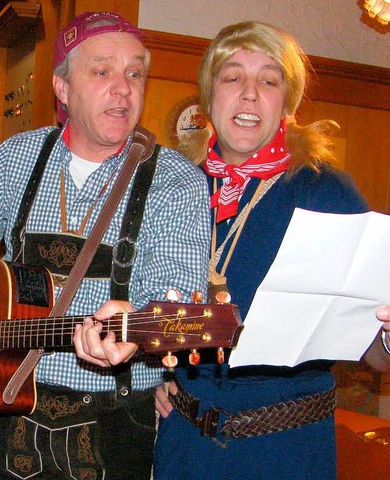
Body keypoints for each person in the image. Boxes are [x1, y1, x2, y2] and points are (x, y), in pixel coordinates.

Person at [0, 11, 210, 480]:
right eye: (102, 71)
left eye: (134, 73)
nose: (123, 88)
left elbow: (178, 295)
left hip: (118, 418)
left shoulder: (174, 180)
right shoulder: (19, 158)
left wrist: (138, 328)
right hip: (16, 406)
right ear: (63, 89)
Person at [150, 21, 390, 479]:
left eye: (268, 80)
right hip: (183, 445)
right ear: (209, 96)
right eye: (232, 76)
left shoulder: (327, 192)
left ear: (287, 102)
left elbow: (373, 353)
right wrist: (156, 380)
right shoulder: (173, 183)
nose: (249, 94)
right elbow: (146, 303)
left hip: (286, 452)